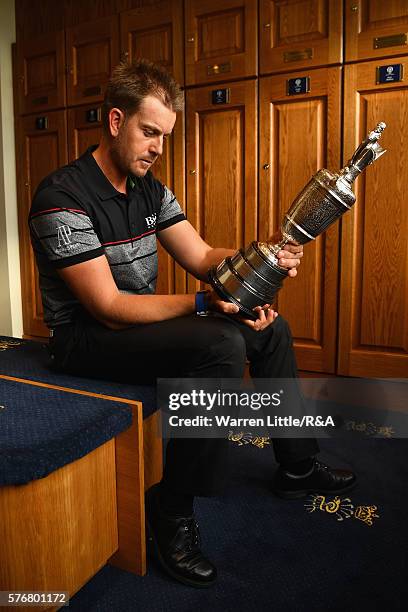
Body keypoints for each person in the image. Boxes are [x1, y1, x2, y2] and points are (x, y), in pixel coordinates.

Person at [29, 59, 356, 589]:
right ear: (116, 122)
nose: (157, 146)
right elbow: (108, 308)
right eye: (149, 132)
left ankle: (297, 465)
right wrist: (206, 306)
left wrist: (265, 256)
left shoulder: (151, 191)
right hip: (83, 340)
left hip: (138, 325)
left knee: (267, 328)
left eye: (164, 135)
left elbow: (202, 255)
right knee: (222, 342)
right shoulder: (62, 197)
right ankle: (171, 509)